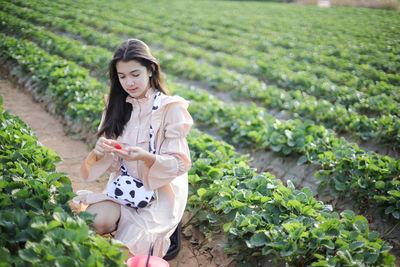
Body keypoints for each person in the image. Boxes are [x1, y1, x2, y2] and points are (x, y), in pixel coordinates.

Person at [73, 38, 193, 259]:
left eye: (135, 74)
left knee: (123, 253)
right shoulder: (116, 106)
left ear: (151, 70)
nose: (129, 83)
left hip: (160, 193)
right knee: (90, 223)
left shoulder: (170, 108)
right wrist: (101, 152)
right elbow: (113, 164)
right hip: (126, 187)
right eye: (122, 76)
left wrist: (148, 158)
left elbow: (179, 164)